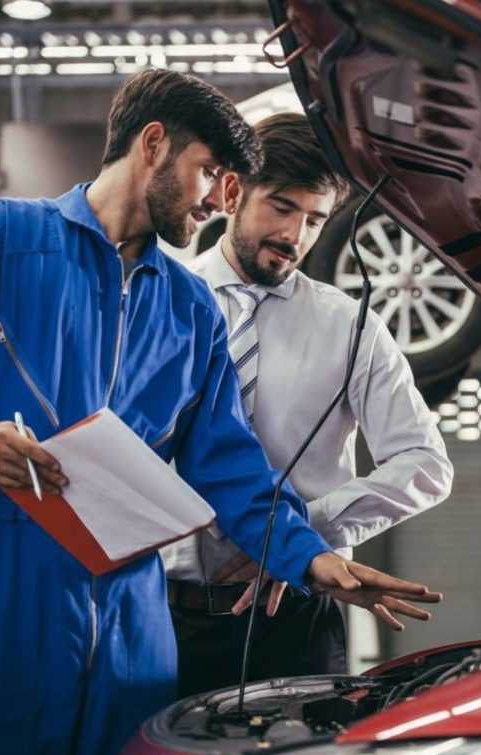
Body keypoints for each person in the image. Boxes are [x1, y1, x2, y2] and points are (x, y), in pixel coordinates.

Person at [0, 69, 440, 755]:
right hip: (2, 580)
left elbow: (229, 466)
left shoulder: (190, 309)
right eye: (212, 173)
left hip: (135, 610)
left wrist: (310, 556)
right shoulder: (2, 239)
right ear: (154, 143)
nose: (221, 200)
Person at [163, 113, 453, 697]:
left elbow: (425, 464)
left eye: (315, 219)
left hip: (293, 619)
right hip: (167, 617)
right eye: (282, 207)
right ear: (232, 192)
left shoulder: (351, 328)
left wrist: (297, 537)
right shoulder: (162, 301)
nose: (296, 236)